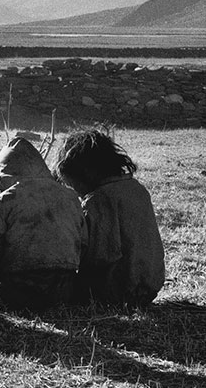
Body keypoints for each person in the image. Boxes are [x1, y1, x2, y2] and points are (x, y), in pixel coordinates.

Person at [56, 129, 164, 308]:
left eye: (72, 185)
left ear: (81, 174)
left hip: (116, 291)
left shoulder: (98, 201)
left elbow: (98, 257)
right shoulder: (137, 189)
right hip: (149, 287)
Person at [0, 134, 85, 311]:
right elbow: (83, 243)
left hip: (17, 292)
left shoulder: (4, 201)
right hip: (64, 291)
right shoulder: (71, 197)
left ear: (3, 175)